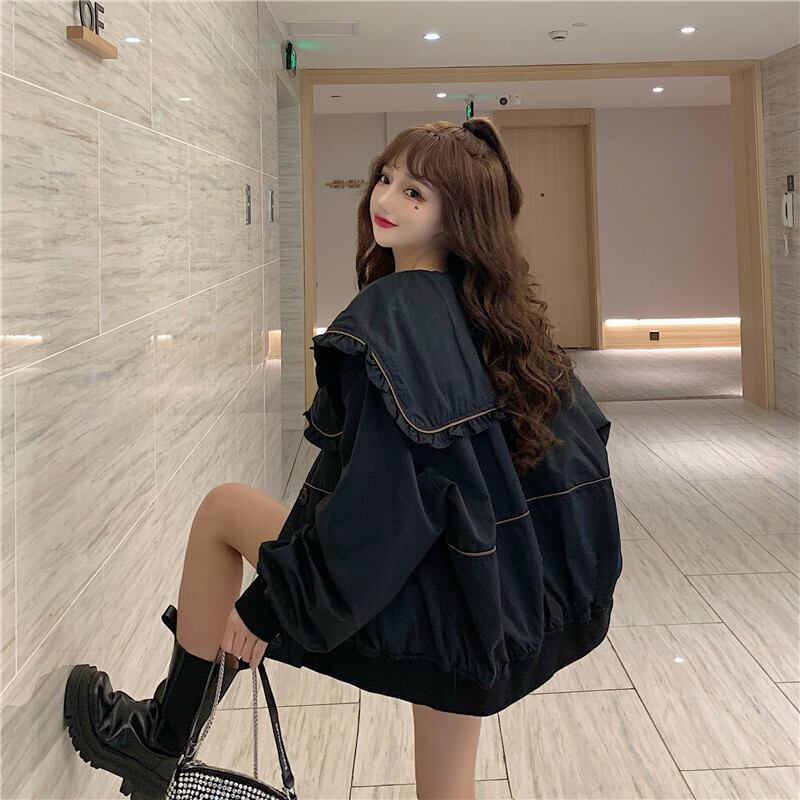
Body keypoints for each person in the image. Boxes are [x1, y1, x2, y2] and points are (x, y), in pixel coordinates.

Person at [64, 117, 623, 800]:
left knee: (223, 512)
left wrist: (273, 602)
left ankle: (160, 739)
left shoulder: (388, 318)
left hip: (441, 591)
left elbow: (377, 504)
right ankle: (163, 742)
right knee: (447, 776)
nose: (384, 200)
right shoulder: (504, 318)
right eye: (386, 178)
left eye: (414, 193)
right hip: (495, 604)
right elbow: (578, 455)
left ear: (457, 216)